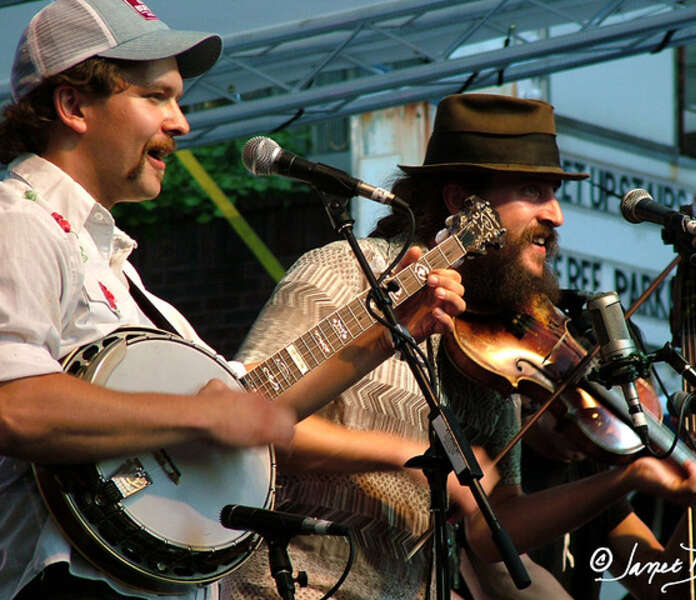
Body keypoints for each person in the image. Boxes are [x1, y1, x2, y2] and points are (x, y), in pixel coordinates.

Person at [0, 2, 465, 599]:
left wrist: (387, 330)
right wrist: (200, 415)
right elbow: (15, 403)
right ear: (73, 107)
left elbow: (250, 405)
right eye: (156, 97)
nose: (181, 122)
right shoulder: (20, 223)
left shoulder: (116, 267)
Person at [224, 93, 696, 600]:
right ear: (461, 203)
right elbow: (244, 421)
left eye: (554, 192)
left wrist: (626, 479)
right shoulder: (343, 272)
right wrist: (408, 455)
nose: (556, 215)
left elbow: (492, 531)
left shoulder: (496, 343)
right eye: (533, 191)